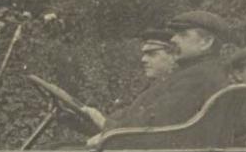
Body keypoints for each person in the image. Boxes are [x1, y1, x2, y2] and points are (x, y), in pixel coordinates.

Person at [95, 10, 233, 132]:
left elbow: (156, 122)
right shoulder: (197, 72)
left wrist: (106, 125)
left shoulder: (198, 77)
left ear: (206, 42)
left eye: (182, 34)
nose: (173, 39)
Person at [81, 29, 178, 129]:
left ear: (173, 56)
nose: (143, 59)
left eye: (152, 54)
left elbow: (148, 125)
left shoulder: (175, 87)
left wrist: (102, 121)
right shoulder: (154, 84)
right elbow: (128, 113)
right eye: (144, 54)